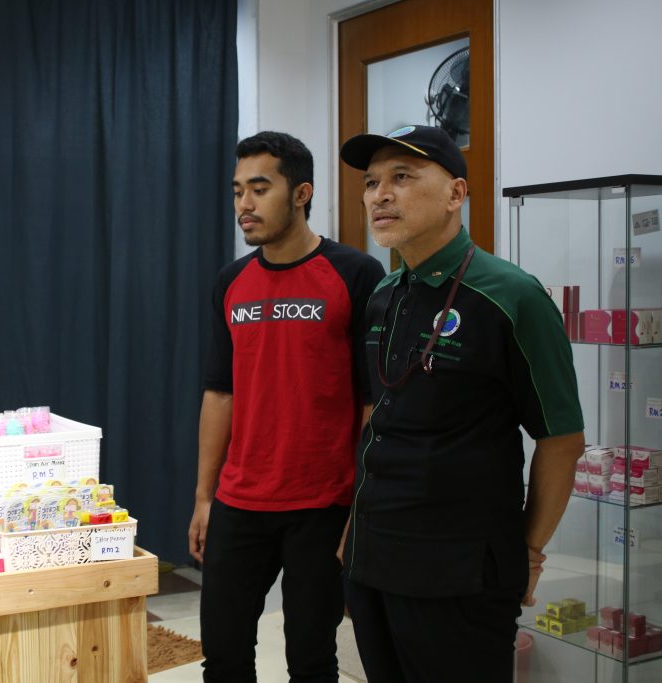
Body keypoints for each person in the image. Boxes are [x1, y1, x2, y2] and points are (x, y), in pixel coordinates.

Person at [337, 125, 585, 682]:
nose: (380, 195)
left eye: (402, 177)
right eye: (372, 182)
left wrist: (530, 551)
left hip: (460, 571)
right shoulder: (383, 295)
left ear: (455, 194)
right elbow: (381, 418)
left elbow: (563, 439)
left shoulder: (512, 296)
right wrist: (355, 527)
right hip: (373, 559)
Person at [188, 131, 385, 682]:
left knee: (311, 660)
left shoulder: (356, 274)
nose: (244, 205)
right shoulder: (232, 281)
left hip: (322, 504)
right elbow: (219, 393)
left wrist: (361, 504)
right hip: (240, 500)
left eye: (259, 189)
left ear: (301, 194)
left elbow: (373, 402)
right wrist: (204, 496)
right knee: (223, 656)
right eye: (237, 192)